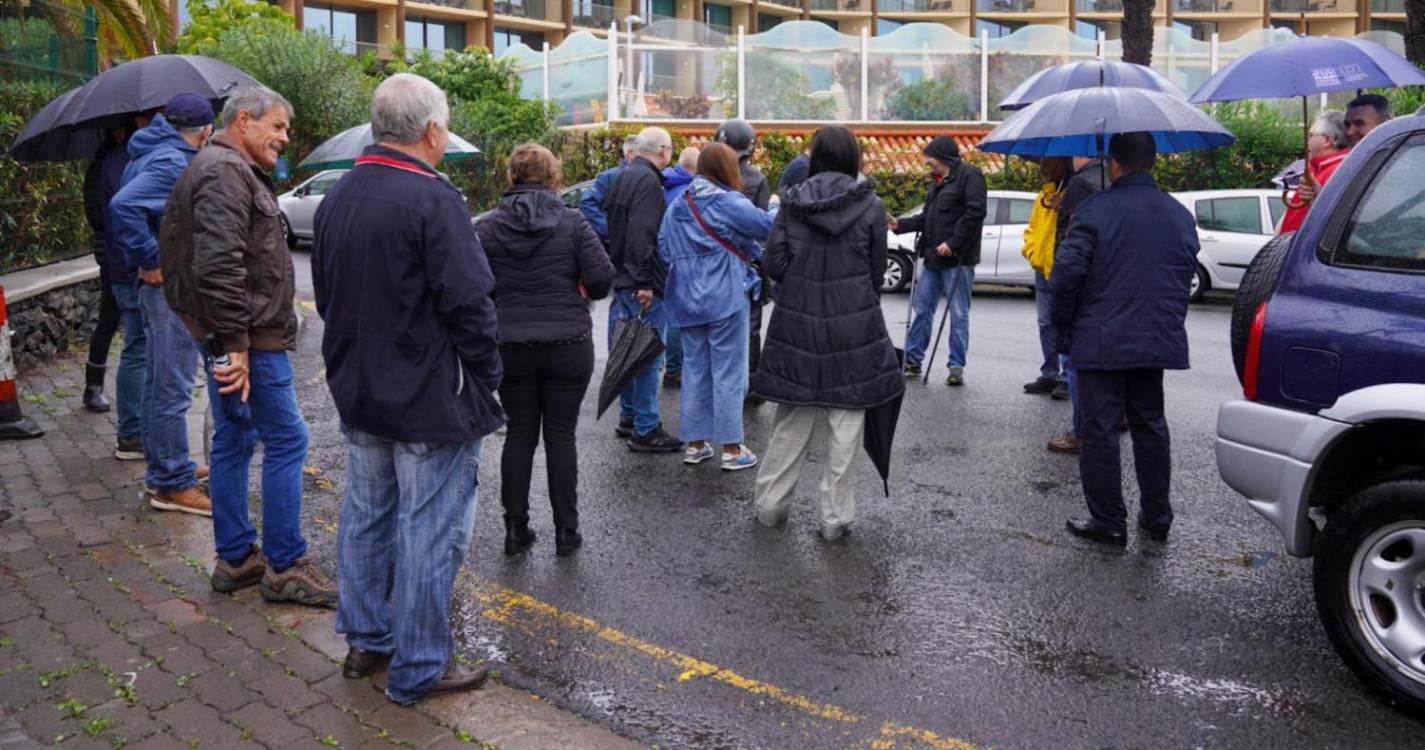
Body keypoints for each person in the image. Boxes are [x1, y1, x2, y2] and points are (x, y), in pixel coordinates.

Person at [311, 74, 502, 702]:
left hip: (359, 385)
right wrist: (486, 376)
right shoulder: (433, 197)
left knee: (367, 516)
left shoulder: (339, 195)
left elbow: (329, 289)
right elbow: (471, 303)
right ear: (432, 131)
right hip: (426, 395)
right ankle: (419, 664)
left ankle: (367, 639)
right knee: (428, 530)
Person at [162, 86, 336, 607]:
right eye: (278, 126)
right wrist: (236, 343)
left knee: (235, 439)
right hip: (248, 339)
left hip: (230, 334)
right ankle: (284, 566)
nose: (284, 137)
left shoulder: (219, 166)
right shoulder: (225, 171)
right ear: (244, 120)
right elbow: (218, 263)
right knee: (286, 440)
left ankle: (237, 558)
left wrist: (223, 338)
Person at [750, 126, 904, 541]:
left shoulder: (793, 204)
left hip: (797, 322)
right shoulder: (872, 206)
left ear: (815, 157)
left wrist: (799, 284)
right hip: (855, 324)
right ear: (853, 158)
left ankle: (770, 506)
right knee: (846, 423)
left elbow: (774, 263)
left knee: (792, 418)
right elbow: (876, 271)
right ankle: (835, 520)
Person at [1050, 132, 1198, 548]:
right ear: (1153, 163)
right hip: (1154, 338)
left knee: (1098, 431)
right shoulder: (1178, 214)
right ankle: (1157, 515)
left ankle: (1109, 520)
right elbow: (1181, 273)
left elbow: (1065, 277)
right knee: (1150, 425)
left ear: (1114, 164)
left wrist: (1064, 332)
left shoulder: (1094, 210)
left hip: (1100, 340)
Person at [478, 143, 614, 558]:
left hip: (511, 345)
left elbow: (475, 286)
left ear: (512, 178)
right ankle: (566, 532)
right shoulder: (573, 222)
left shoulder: (486, 227)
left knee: (518, 435)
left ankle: (515, 530)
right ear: (553, 177)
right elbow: (603, 281)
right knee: (561, 437)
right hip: (568, 344)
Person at [109, 94, 213, 515]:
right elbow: (124, 206)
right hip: (169, 289)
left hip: (157, 289)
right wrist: (150, 258)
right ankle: (172, 482)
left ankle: (166, 466)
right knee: (173, 385)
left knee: (158, 381)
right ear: (204, 132)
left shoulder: (147, 149)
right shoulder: (173, 161)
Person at [658, 143, 776, 471]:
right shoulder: (727, 201)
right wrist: (778, 206)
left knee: (695, 369)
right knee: (728, 371)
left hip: (685, 297)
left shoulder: (680, 202)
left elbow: (663, 247)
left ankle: (696, 444)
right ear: (728, 168)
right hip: (724, 294)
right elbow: (766, 227)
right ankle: (732, 448)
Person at [604, 126, 681, 452]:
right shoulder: (649, 182)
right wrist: (645, 282)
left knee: (626, 348)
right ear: (663, 151)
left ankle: (629, 416)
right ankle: (646, 428)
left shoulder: (623, 175)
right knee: (648, 354)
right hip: (640, 282)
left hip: (620, 275)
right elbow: (643, 233)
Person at [890, 136, 987, 386]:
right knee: (922, 309)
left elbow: (975, 212)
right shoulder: (936, 183)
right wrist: (899, 224)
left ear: (944, 158)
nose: (926, 162)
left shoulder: (969, 175)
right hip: (932, 256)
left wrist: (953, 243)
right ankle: (913, 359)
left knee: (958, 314)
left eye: (930, 157)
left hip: (958, 259)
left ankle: (956, 366)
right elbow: (926, 217)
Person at [1046, 155, 1106, 455]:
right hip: (1109, 283)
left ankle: (1081, 432)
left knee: (1075, 362)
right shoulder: (1110, 180)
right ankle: (1111, 419)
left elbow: (1075, 242)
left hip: (1083, 284)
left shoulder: (1081, 184)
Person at [81, 125, 138, 414]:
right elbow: (95, 214)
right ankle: (93, 386)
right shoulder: (103, 165)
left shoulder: (137, 159)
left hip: (128, 252)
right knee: (108, 318)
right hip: (113, 253)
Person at [714, 119, 772, 398]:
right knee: (750, 327)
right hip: (747, 265)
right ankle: (750, 383)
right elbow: (763, 229)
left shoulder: (707, 180)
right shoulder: (757, 179)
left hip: (713, 264)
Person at [1020, 157, 1070, 397]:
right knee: (1046, 324)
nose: (1042, 168)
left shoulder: (1073, 193)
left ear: (1063, 164)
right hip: (1042, 269)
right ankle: (1050, 373)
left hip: (1063, 269)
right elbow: (1031, 229)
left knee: (1066, 324)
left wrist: (1065, 207)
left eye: (1048, 163)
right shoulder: (1043, 196)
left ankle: (1067, 377)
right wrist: (1031, 252)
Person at [1298, 95, 1393, 205]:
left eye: (1359, 123)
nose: (1349, 132)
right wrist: (1318, 197)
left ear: (1388, 123)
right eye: (1347, 125)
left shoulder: (1401, 160)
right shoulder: (1352, 167)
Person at [661, 145, 701, 389]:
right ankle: (675, 369)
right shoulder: (687, 191)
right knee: (681, 318)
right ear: (693, 169)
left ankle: (671, 367)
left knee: (670, 313)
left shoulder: (664, 182)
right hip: (683, 258)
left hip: (665, 256)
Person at [1278, 111, 1349, 235]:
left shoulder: (1339, 172)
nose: (1307, 141)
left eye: (1311, 135)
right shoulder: (1317, 168)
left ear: (1327, 139)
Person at [579, 134, 639, 246]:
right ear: (630, 154)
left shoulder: (650, 177)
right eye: (642, 153)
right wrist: (610, 233)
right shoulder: (610, 177)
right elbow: (587, 202)